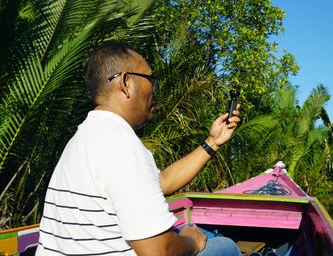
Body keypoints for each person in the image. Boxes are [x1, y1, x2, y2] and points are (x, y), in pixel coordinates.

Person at [36, 42, 241, 256]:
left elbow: (162, 182)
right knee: (224, 246)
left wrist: (213, 142)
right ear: (126, 82)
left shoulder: (88, 135)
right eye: (151, 81)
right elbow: (157, 252)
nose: (154, 90)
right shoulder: (120, 145)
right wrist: (193, 241)